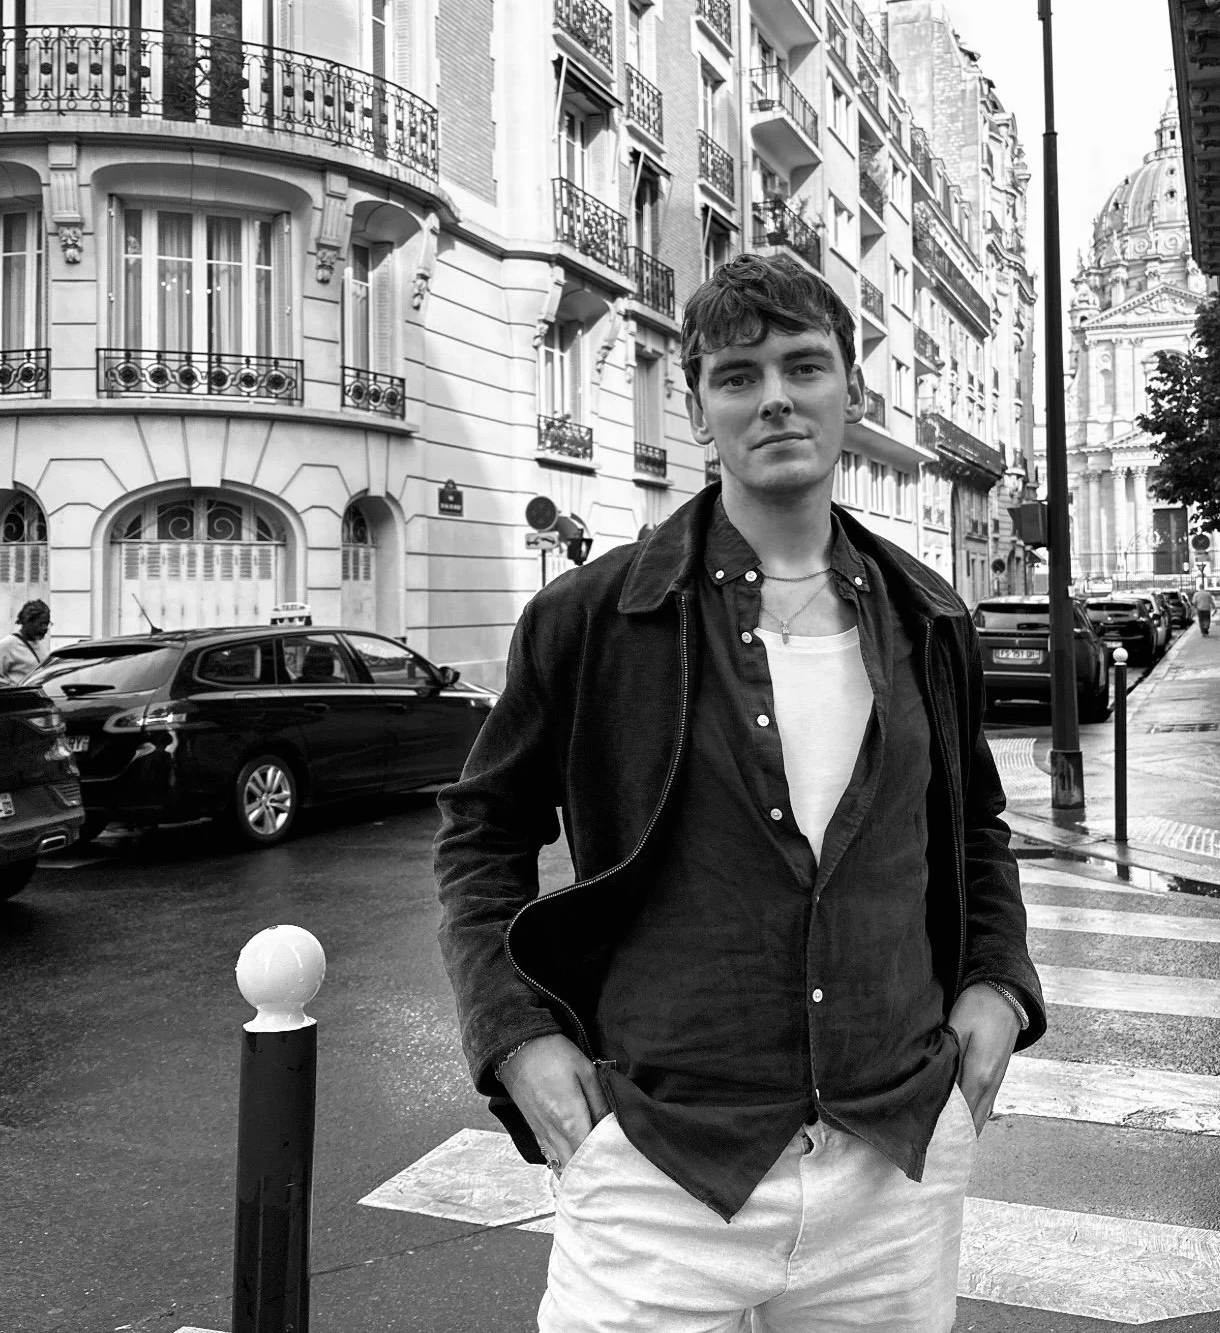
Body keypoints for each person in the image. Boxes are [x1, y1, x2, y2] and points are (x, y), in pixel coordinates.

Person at [434, 253, 1046, 1332]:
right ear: (697, 402)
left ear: (850, 391)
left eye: (804, 365)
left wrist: (996, 987)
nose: (774, 396)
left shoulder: (926, 617)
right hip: (658, 1164)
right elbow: (481, 836)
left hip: (893, 1159)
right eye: (738, 373)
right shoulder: (590, 618)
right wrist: (515, 1035)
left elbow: (975, 833)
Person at [0, 599, 49, 684]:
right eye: (41, 624)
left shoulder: (39, 645)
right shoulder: (7, 645)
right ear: (27, 622)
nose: (45, 628)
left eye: (47, 624)